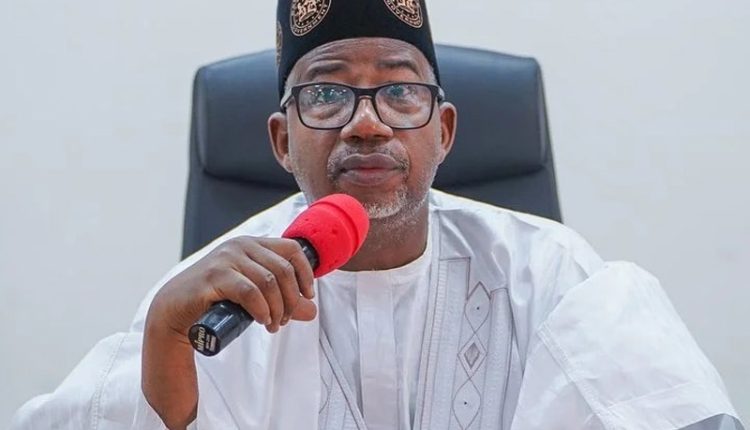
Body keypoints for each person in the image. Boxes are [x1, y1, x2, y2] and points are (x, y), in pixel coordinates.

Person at [11, 1, 744, 429]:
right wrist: (164, 348)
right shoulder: (210, 302)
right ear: (282, 140)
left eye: (400, 91)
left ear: (444, 130)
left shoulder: (551, 274)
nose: (367, 123)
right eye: (327, 95)